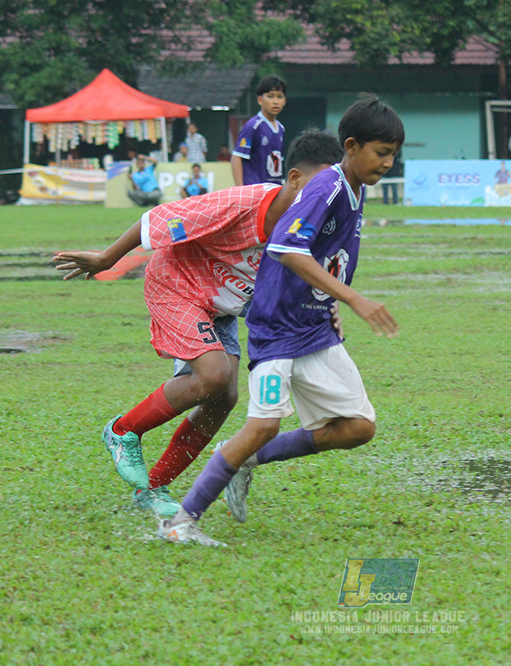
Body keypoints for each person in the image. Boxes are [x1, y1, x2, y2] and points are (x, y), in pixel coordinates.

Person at [52, 130, 344, 516]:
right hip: (176, 284)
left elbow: (304, 281)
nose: (324, 201)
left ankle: (153, 489)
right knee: (213, 375)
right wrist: (107, 259)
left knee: (224, 397)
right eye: (318, 188)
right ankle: (123, 431)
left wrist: (327, 310)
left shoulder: (307, 232)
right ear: (293, 178)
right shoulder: (242, 203)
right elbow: (159, 218)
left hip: (220, 305)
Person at [158, 95, 405, 546]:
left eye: (393, 154)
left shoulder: (356, 188)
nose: (388, 163)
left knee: (358, 427)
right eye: (382, 152)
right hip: (276, 328)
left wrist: (330, 303)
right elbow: (286, 248)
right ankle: (180, 522)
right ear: (352, 146)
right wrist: (353, 299)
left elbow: (329, 256)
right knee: (263, 425)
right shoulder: (327, 187)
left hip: (313, 328)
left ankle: (241, 459)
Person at [231, 77, 287, 186]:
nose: (276, 101)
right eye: (270, 96)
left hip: (274, 189)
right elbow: (237, 157)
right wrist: (240, 189)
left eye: (279, 97)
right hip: (256, 189)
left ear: (284, 101)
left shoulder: (281, 128)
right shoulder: (253, 126)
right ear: (260, 100)